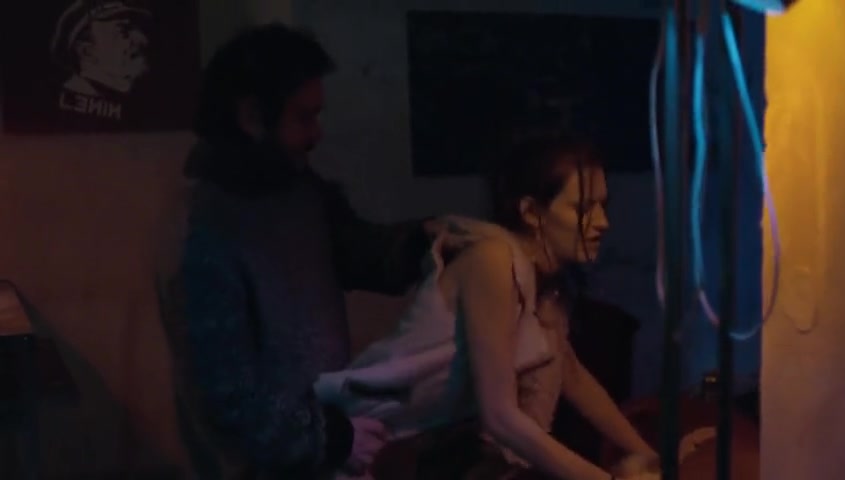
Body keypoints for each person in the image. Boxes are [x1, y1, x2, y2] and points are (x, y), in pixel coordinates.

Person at [168, 23, 465, 480]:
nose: (317, 133)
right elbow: (229, 396)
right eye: (304, 117)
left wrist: (433, 239)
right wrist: (332, 439)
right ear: (251, 117)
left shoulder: (298, 189)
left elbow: (361, 252)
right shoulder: (207, 230)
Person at [316, 134, 660, 480]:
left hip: (412, 448)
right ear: (531, 212)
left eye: (603, 206)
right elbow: (500, 416)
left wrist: (649, 456)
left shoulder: (545, 285)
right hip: (360, 443)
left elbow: (571, 374)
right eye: (584, 208)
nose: (602, 222)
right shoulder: (494, 261)